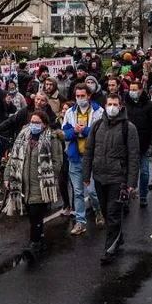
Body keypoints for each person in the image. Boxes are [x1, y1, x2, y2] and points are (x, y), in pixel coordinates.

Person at [81, 94, 140, 264]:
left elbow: (133, 157)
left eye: (115, 104)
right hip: (99, 177)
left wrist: (131, 183)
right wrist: (86, 175)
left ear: (120, 106)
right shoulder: (97, 125)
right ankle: (118, 237)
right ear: (105, 106)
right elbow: (89, 150)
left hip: (118, 179)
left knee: (114, 213)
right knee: (107, 212)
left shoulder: (128, 128)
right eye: (109, 104)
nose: (112, 107)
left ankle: (110, 249)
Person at [5, 109, 64, 259]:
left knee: (36, 214)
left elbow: (58, 161)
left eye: (37, 122)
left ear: (44, 124)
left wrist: (50, 176)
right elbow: (13, 159)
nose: (34, 125)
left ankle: (34, 243)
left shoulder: (52, 138)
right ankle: (39, 238)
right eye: (32, 122)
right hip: (24, 183)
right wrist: (7, 177)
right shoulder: (23, 136)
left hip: (41, 183)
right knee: (31, 215)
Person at [62, 83, 104, 235]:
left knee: (92, 191)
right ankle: (80, 222)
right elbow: (64, 133)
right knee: (78, 192)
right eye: (77, 96)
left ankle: (98, 210)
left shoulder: (99, 111)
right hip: (75, 158)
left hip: (92, 158)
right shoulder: (70, 113)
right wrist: (73, 130)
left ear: (89, 96)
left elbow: (101, 132)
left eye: (82, 96)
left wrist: (85, 130)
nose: (80, 99)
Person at [124, 80, 152, 208]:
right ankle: (126, 196)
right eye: (130, 89)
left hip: (143, 145)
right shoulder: (126, 105)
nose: (132, 92)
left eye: (135, 89)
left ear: (141, 90)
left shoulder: (149, 106)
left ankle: (143, 196)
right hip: (128, 146)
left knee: (144, 173)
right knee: (127, 173)